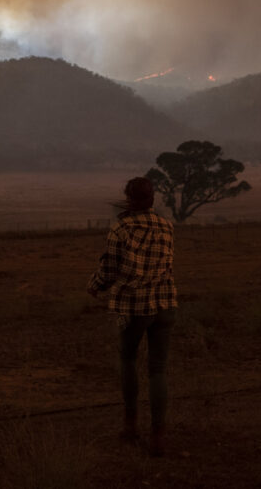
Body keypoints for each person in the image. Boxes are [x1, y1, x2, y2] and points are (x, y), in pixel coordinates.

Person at [87, 176, 178, 457]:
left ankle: (130, 426)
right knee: (158, 369)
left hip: (134, 306)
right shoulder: (166, 226)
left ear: (129, 198)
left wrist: (94, 286)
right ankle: (158, 436)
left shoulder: (121, 228)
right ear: (152, 199)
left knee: (127, 358)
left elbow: (110, 269)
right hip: (165, 302)